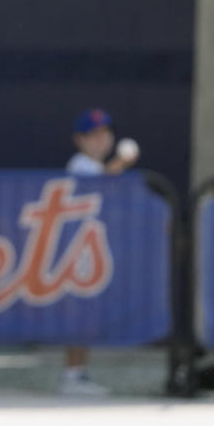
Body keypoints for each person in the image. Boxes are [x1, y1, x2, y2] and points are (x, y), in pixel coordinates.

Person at [61, 108, 139, 395]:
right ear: (79, 139)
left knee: (87, 316)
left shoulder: (92, 164)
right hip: (77, 253)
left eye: (105, 134)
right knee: (80, 315)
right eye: (93, 135)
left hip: (92, 252)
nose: (101, 140)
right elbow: (101, 183)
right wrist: (124, 161)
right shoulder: (80, 164)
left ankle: (78, 374)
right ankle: (71, 376)